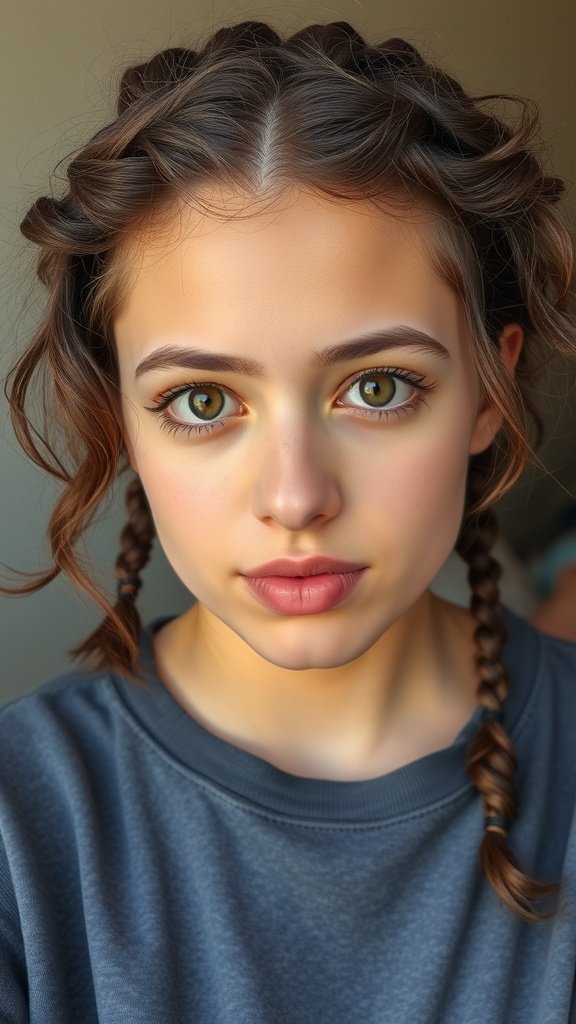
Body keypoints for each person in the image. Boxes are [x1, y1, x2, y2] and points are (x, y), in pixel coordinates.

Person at [1, 19, 576, 1023]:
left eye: (378, 387)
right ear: (120, 422)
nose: (297, 497)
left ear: (490, 390)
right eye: (203, 401)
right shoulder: (18, 827)